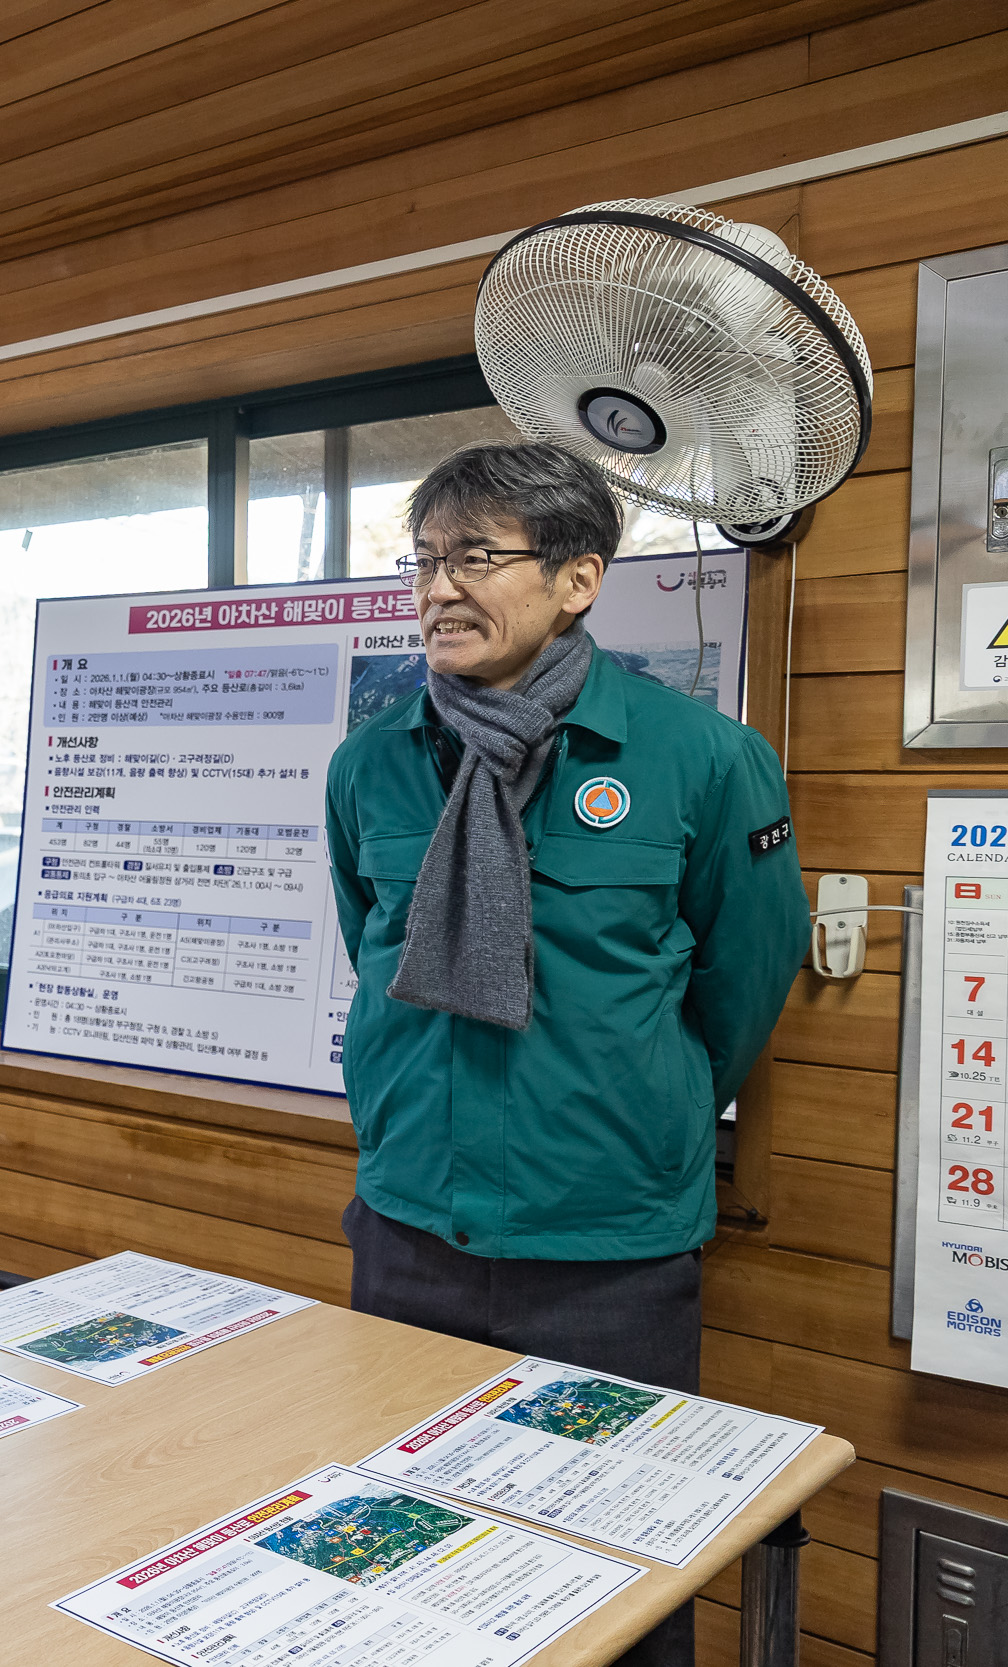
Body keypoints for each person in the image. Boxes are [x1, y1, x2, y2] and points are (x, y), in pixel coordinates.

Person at [324, 444, 807, 1667]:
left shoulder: (697, 758)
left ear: (579, 576)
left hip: (608, 1250)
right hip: (409, 1230)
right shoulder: (374, 761)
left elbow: (741, 987)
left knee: (617, 1572)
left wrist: (633, 1103)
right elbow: (371, 953)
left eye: (475, 557)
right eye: (425, 560)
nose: (439, 588)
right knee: (404, 1563)